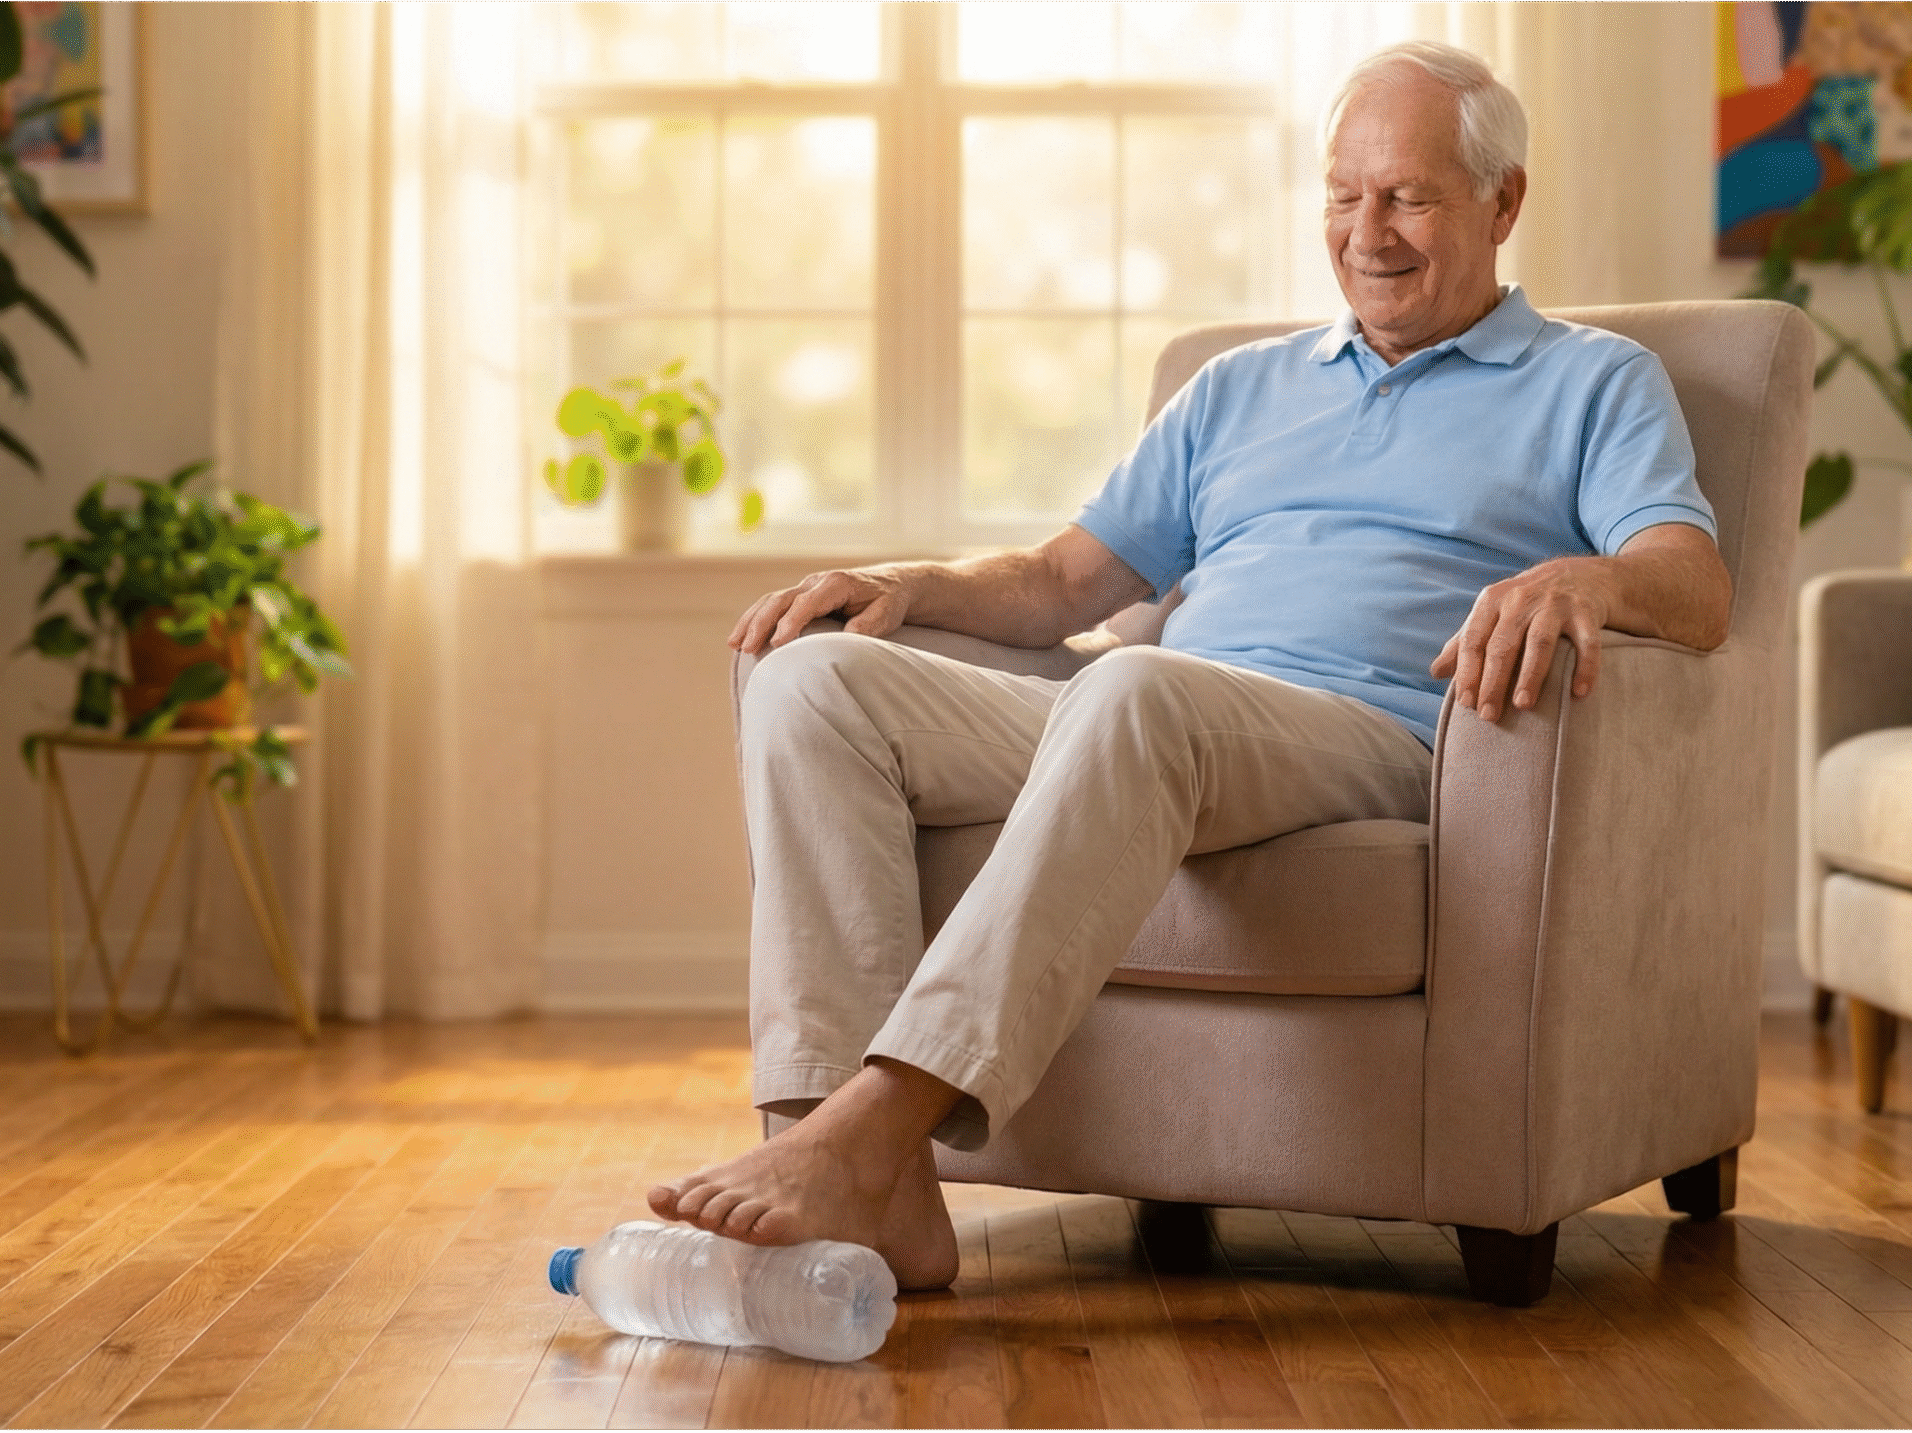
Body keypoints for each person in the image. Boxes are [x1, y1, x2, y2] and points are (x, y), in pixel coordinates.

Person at [648, 40, 1732, 1292]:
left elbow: (1694, 587)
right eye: (1342, 193)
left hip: (1366, 739)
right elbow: (1066, 582)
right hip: (1149, 725)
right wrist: (911, 586)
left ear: (1504, 201)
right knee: (813, 677)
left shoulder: (1591, 382)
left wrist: (1587, 575)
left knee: (1136, 684)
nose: (1364, 231)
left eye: (1408, 196)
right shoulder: (1240, 388)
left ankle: (873, 1129)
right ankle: (849, 1188)